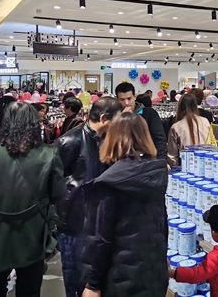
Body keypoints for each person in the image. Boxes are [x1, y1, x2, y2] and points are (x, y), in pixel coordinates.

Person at [0, 101, 65, 297]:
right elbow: (58, 193)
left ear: (4, 122)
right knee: (29, 289)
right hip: (32, 230)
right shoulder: (49, 154)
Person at [81, 112, 168, 297]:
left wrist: (92, 283)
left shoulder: (108, 183)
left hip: (121, 278)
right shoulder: (156, 171)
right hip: (154, 272)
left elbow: (100, 239)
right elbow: (162, 221)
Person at [54, 97, 124, 297]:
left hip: (99, 218)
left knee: (95, 274)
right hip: (74, 220)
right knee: (74, 272)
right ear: (103, 118)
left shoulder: (108, 139)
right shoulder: (70, 141)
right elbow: (52, 178)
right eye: (117, 118)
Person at [115, 83, 167, 161]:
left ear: (134, 97)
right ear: (117, 99)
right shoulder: (114, 116)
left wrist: (161, 161)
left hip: (148, 160)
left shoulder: (149, 113)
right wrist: (122, 120)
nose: (126, 103)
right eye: (122, 100)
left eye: (129, 98)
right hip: (122, 161)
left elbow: (159, 139)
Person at [168, 94, 211, 167]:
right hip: (207, 165)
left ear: (180, 107)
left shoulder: (176, 127)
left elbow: (172, 158)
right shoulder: (205, 121)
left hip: (186, 168)